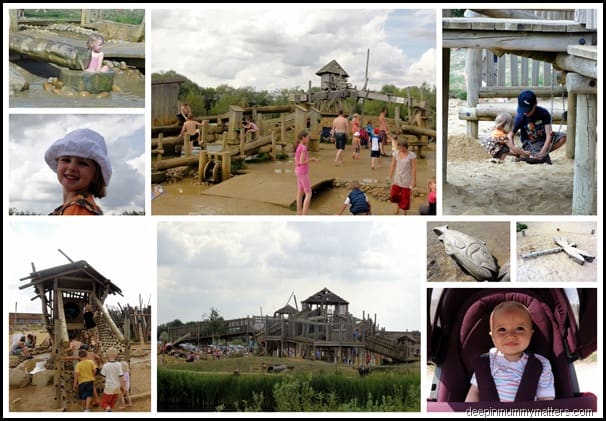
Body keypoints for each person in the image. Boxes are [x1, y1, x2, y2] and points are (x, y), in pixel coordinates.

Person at [465, 301, 555, 403]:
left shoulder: (541, 364)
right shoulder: (486, 362)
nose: (511, 335)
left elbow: (545, 399)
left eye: (520, 328)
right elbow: (475, 391)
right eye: (502, 329)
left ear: (530, 334)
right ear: (492, 337)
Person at [45, 128, 111, 215]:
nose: (72, 168)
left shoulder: (77, 210)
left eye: (82, 163)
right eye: (66, 160)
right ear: (57, 164)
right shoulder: (87, 207)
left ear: (95, 175)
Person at [507, 90, 567, 165]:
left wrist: (542, 152)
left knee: (562, 137)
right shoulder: (520, 117)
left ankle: (540, 152)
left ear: (535, 104)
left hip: (543, 138)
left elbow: (549, 135)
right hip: (531, 142)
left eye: (528, 110)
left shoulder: (543, 113)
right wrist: (515, 151)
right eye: (523, 110)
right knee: (539, 158)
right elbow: (510, 135)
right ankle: (531, 154)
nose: (525, 112)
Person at [389, 139, 417, 215]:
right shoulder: (396, 153)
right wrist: (389, 176)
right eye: (400, 147)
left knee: (405, 197)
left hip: (407, 178)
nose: (401, 149)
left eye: (403, 148)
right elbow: (393, 165)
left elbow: (414, 168)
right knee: (394, 195)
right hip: (397, 177)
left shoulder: (411, 155)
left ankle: (404, 212)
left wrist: (414, 181)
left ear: (406, 147)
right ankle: (397, 208)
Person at [294, 130, 318, 215]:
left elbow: (296, 160)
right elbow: (301, 162)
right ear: (303, 138)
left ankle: (299, 211)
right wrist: (311, 159)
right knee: (308, 193)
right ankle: (304, 214)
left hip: (298, 171)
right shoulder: (303, 148)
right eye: (307, 137)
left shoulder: (298, 146)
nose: (308, 139)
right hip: (303, 172)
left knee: (300, 192)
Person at [100, 348, 125, 412]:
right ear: (115, 355)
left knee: (104, 403)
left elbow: (103, 377)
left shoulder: (105, 365)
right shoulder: (118, 364)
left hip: (109, 386)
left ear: (107, 355)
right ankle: (109, 410)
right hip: (117, 386)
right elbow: (121, 376)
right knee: (112, 402)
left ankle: (108, 410)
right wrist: (122, 386)